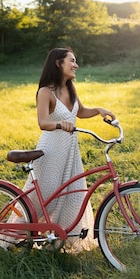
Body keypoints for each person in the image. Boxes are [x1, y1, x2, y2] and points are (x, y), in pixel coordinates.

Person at [23, 47, 116, 252]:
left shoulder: (70, 88)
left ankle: (63, 239)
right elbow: (43, 122)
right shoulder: (45, 91)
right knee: (44, 196)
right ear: (58, 63)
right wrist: (59, 124)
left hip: (70, 151)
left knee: (73, 194)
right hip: (51, 150)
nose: (76, 65)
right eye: (71, 61)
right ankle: (19, 236)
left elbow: (80, 112)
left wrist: (99, 110)